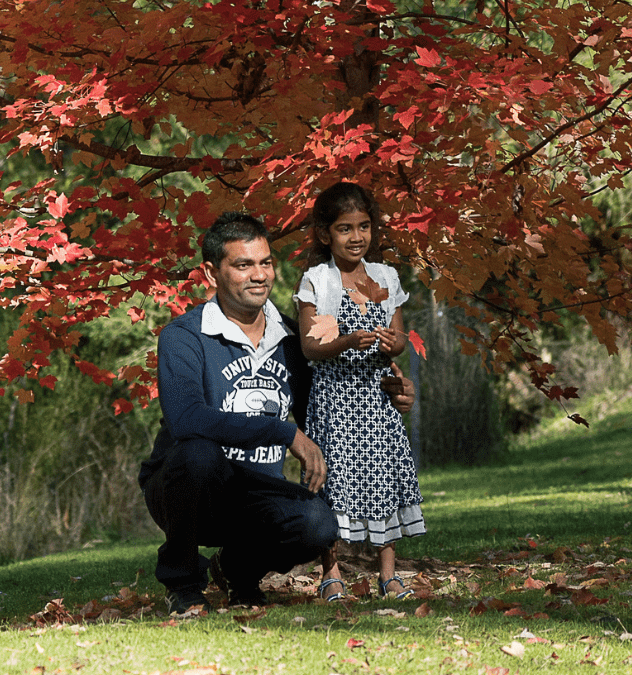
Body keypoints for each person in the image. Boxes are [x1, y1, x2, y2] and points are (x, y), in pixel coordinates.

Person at [136, 212, 340, 615]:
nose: (259, 275)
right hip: (189, 487)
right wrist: (283, 433)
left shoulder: (290, 338)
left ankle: (236, 570)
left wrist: (387, 391)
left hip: (255, 493)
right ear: (212, 272)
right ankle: (183, 583)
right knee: (199, 453)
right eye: (243, 265)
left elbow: (319, 412)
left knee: (317, 524)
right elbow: (187, 419)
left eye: (265, 262)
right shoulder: (184, 336)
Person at [294, 181, 426, 602]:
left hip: (376, 398)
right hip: (335, 401)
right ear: (325, 234)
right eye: (345, 228)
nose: (356, 237)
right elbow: (310, 345)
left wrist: (393, 343)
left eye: (363, 226)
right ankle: (331, 573)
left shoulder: (385, 277)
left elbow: (401, 336)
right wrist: (348, 341)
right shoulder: (319, 281)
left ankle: (389, 574)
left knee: (383, 478)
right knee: (332, 485)